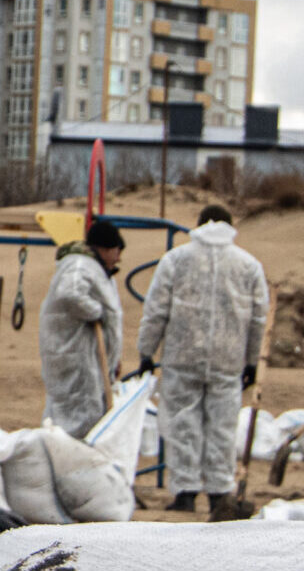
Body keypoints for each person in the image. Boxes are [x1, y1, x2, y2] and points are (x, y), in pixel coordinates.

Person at [136, 205, 270, 513]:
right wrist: (251, 361)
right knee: (221, 426)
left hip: (182, 356)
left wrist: (147, 351)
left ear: (197, 225)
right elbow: (258, 318)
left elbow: (156, 309)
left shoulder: (176, 260)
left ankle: (185, 492)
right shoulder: (248, 265)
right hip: (228, 359)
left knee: (183, 424)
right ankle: (219, 492)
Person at [40, 219, 129, 438]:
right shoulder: (80, 265)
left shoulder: (97, 269)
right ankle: (71, 463)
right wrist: (95, 311)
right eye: (117, 250)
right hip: (78, 360)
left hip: (91, 362)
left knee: (91, 416)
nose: (119, 257)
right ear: (104, 248)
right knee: (78, 418)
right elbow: (70, 294)